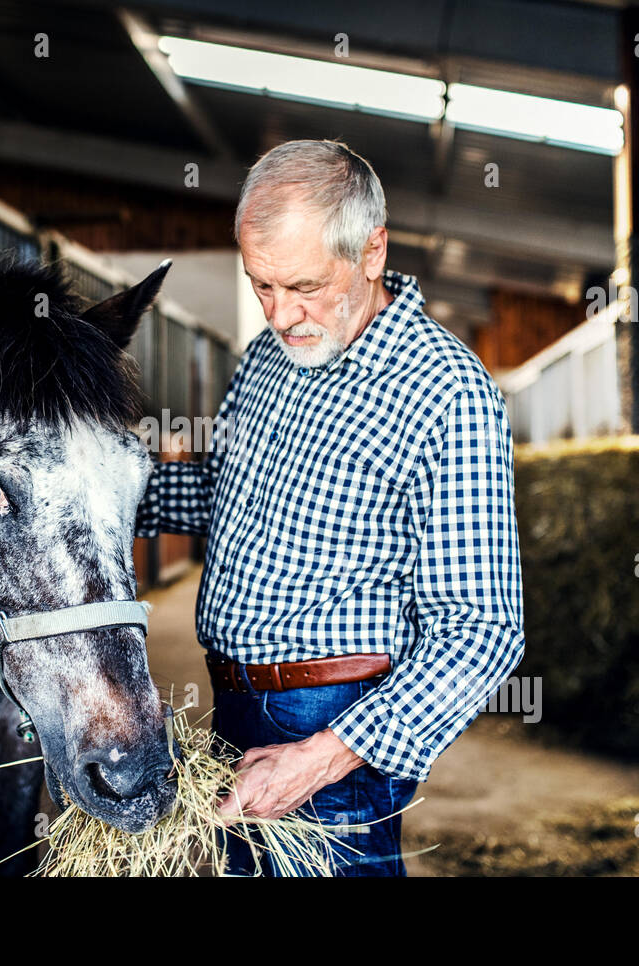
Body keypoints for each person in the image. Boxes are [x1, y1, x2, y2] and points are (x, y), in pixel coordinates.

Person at [135, 139, 525, 876]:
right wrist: (103, 491)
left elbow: (482, 633)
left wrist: (318, 761)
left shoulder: (448, 395)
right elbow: (225, 498)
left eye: (305, 285)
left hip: (337, 736)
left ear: (372, 251)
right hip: (235, 711)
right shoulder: (266, 360)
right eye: (263, 287)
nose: (282, 316)